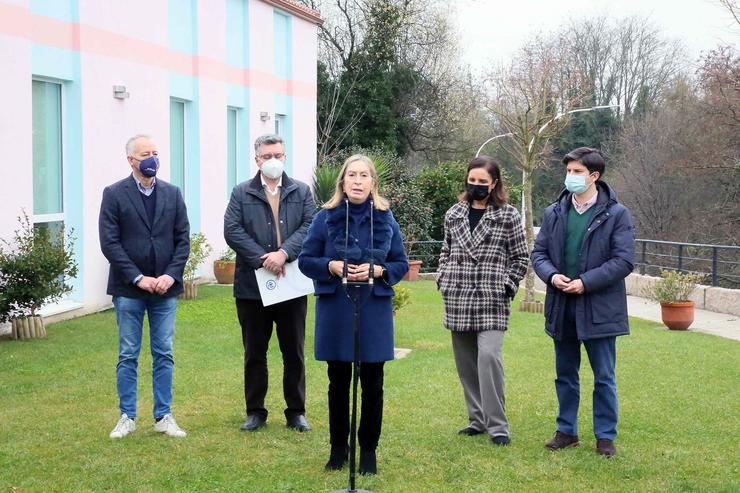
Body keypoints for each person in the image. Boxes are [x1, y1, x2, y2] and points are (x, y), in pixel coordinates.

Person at [298, 154, 408, 475]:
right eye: (352, 175)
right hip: (337, 307)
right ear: (342, 182)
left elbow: (400, 264)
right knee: (338, 382)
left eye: (364, 175)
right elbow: (306, 260)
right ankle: (338, 449)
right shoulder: (324, 218)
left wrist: (379, 269)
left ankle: (369, 450)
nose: (358, 181)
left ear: (373, 182)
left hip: (373, 307)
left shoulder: (386, 218)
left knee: (373, 383)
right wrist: (330, 266)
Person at [531, 147, 635, 457]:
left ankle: (605, 436)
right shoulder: (554, 212)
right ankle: (567, 431)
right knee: (565, 373)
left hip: (600, 308)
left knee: (604, 376)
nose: (571, 177)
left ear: (594, 176)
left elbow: (624, 260)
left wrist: (585, 282)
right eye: (569, 171)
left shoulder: (617, 214)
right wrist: (552, 276)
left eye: (577, 172)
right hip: (562, 306)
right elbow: (539, 254)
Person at [99, 134, 190, 439]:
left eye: (155, 152)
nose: (152, 158)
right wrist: (138, 277)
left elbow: (182, 240)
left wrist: (170, 275)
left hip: (165, 289)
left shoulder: (173, 193)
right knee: (128, 354)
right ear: (131, 161)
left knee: (163, 352)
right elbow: (110, 243)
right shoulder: (113, 194)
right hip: (129, 290)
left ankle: (163, 416)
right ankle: (127, 416)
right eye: (145, 154)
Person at [224, 134, 316, 433]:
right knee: (254, 353)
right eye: (267, 156)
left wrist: (284, 253)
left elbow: (309, 225)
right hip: (252, 288)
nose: (272, 160)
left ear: (285, 157)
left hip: (291, 285)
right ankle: (255, 411)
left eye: (278, 154)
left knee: (294, 352)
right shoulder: (241, 192)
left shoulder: (301, 191)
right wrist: (264, 258)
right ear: (257, 160)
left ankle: (296, 411)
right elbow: (232, 230)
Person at [437, 155, 528, 446]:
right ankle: (476, 420)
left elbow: (520, 257)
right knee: (466, 364)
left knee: (488, 358)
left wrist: (508, 285)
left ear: (494, 184)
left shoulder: (509, 215)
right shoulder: (453, 213)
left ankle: (498, 425)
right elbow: (445, 250)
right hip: (458, 297)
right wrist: (443, 277)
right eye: (472, 180)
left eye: (482, 182)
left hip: (492, 298)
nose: (476, 185)